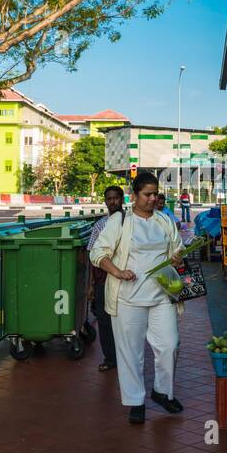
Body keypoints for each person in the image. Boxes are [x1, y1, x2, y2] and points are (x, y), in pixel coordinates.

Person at [90, 172, 185, 424]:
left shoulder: (164, 220)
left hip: (162, 294)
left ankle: (162, 392)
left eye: (155, 194)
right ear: (134, 195)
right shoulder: (120, 221)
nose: (153, 198)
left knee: (169, 345)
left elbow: (177, 247)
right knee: (131, 352)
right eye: (147, 194)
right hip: (128, 297)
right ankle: (135, 400)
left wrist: (177, 256)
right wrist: (118, 272)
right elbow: (98, 253)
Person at [87, 185, 125, 373]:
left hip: (127, 278)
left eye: (115, 198)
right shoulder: (100, 225)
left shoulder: (131, 222)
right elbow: (91, 256)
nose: (112, 202)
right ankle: (110, 358)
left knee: (125, 318)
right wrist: (91, 285)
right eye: (109, 199)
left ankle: (126, 357)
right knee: (104, 319)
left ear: (122, 199)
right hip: (104, 279)